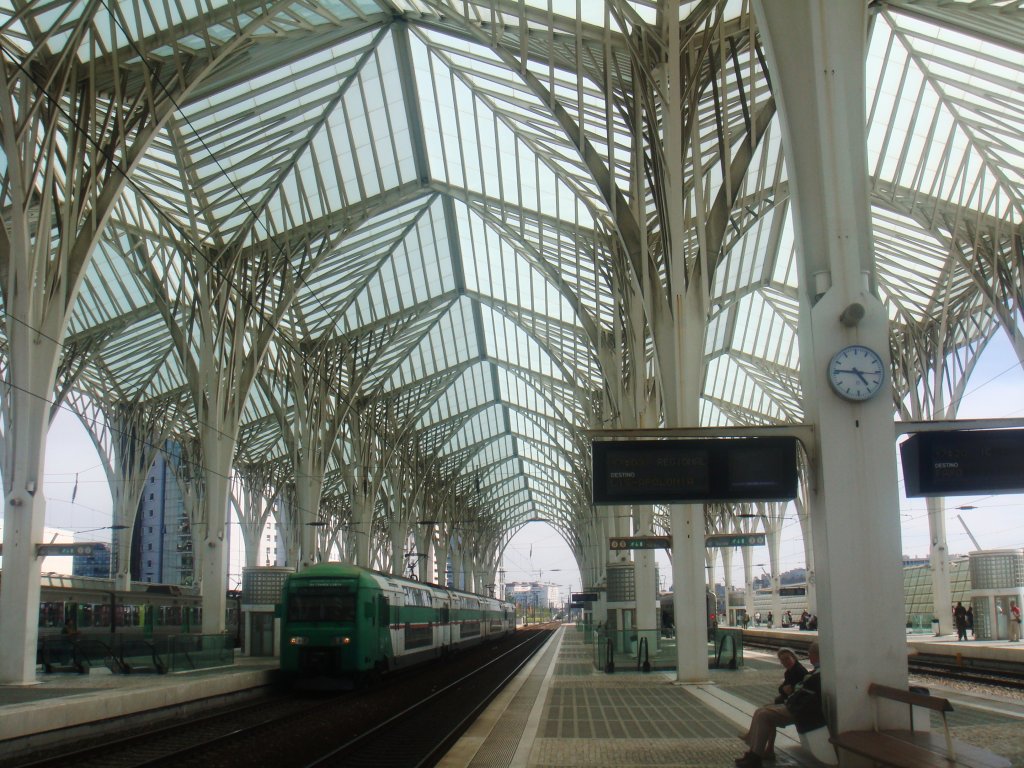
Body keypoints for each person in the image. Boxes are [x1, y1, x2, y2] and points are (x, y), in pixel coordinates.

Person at [735, 642, 823, 768]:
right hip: (799, 706)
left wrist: (792, 691)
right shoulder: (815, 672)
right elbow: (791, 688)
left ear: (815, 655)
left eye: (810, 655)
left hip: (800, 709)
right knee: (761, 711)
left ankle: (755, 756)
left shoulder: (813, 673)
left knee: (763, 714)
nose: (809, 658)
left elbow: (800, 689)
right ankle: (754, 753)